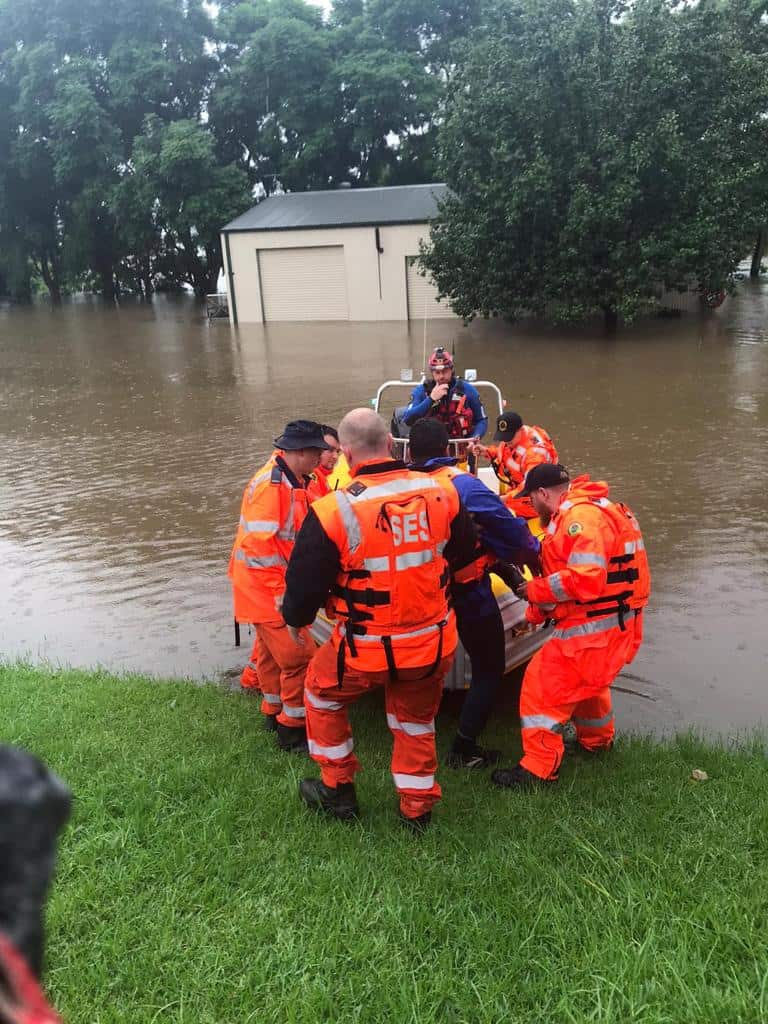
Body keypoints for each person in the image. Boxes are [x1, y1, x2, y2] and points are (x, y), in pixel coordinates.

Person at [281, 408, 479, 831]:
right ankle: (416, 812)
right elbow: (463, 552)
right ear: (391, 443)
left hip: (363, 649)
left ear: (347, 455)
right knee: (415, 722)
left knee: (320, 694)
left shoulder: (332, 511)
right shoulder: (443, 492)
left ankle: (338, 792)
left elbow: (300, 599)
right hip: (431, 642)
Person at [491, 464, 650, 790]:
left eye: (531, 500)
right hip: (612, 626)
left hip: (592, 630)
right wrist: (537, 611)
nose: (531, 508)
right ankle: (597, 741)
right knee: (589, 685)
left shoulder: (580, 519)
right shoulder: (596, 510)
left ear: (543, 494)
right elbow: (584, 582)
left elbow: (585, 580)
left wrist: (532, 591)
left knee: (540, 691)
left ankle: (538, 770)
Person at [408, 418, 541, 768]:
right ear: (448, 450)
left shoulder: (397, 486)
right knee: (489, 667)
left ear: (408, 451)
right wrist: (535, 557)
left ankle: (412, 732)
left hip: (414, 594)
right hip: (465, 592)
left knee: (417, 669)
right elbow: (512, 533)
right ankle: (463, 749)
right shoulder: (463, 487)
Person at [228, 420, 331, 752]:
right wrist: (282, 600)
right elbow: (260, 550)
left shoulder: (293, 479)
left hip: (260, 586)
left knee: (272, 659)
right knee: (301, 658)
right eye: (318, 451)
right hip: (265, 589)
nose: (323, 457)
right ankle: (293, 730)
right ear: (299, 452)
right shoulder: (273, 488)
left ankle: (273, 713)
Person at [473, 413, 558, 518]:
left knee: (495, 510)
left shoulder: (535, 454)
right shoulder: (514, 440)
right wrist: (488, 451)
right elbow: (507, 454)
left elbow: (530, 484)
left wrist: (504, 499)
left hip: (537, 499)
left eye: (509, 438)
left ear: (521, 430)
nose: (506, 441)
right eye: (504, 438)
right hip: (518, 489)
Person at [402, 347, 488, 439]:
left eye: (445, 371)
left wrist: (475, 437)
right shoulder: (421, 391)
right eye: (437, 372)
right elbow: (407, 419)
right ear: (432, 373)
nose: (441, 376)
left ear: (451, 370)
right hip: (429, 447)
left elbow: (481, 420)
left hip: (460, 446)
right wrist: (431, 399)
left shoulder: (467, 390)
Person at [306, 426, 341, 501]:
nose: (336, 456)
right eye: (330, 450)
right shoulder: (308, 478)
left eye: (338, 451)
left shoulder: (321, 477)